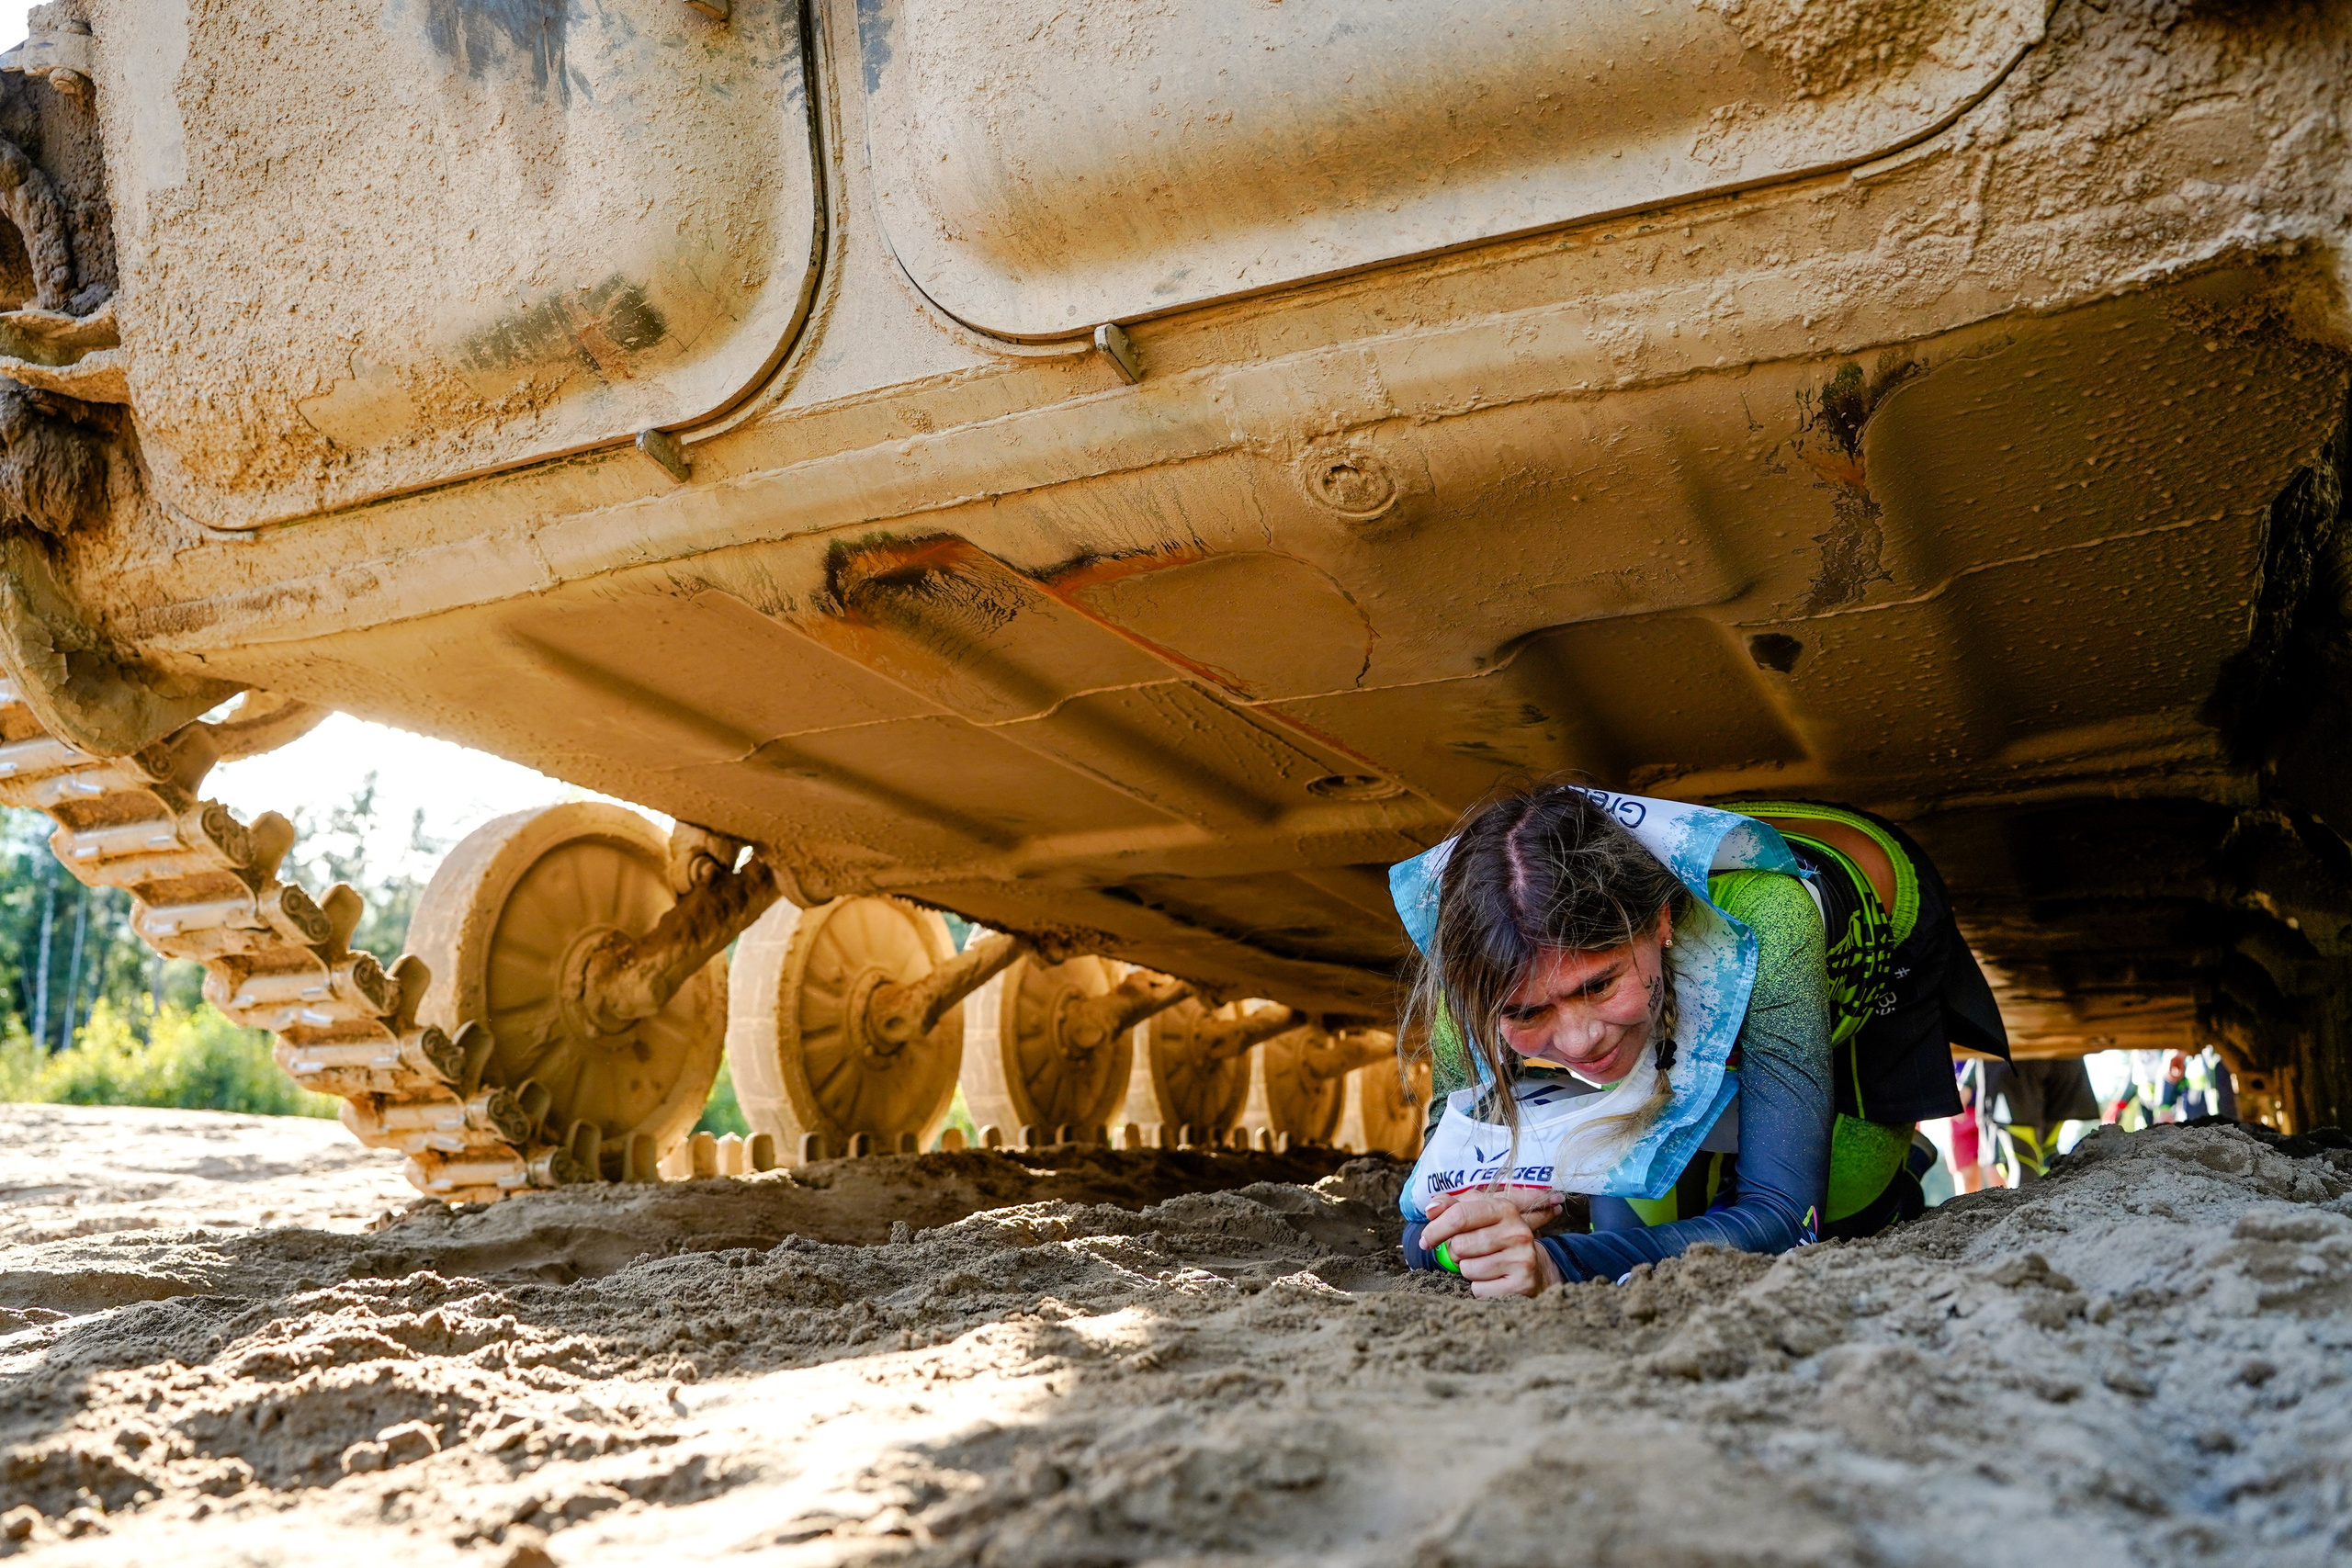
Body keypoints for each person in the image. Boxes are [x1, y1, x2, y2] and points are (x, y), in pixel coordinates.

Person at [1399, 784, 2008, 1295]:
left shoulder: (1770, 916)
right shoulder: (1471, 980)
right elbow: (1421, 1223)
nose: (1580, 1041)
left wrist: (1559, 1262)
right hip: (1677, 993)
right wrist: (1474, 1238)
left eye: (1600, 983)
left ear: (1661, 921)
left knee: (1835, 1219)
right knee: (1637, 1218)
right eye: (1528, 1012)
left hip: (1854, 947)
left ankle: (1897, 1162)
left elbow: (1780, 1214)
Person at [1981, 1055, 2099, 1183]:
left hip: (2012, 1062)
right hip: (2066, 1058)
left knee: (2025, 1162)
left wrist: (1966, 1083)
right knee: (2046, 1155)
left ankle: (2028, 1201)